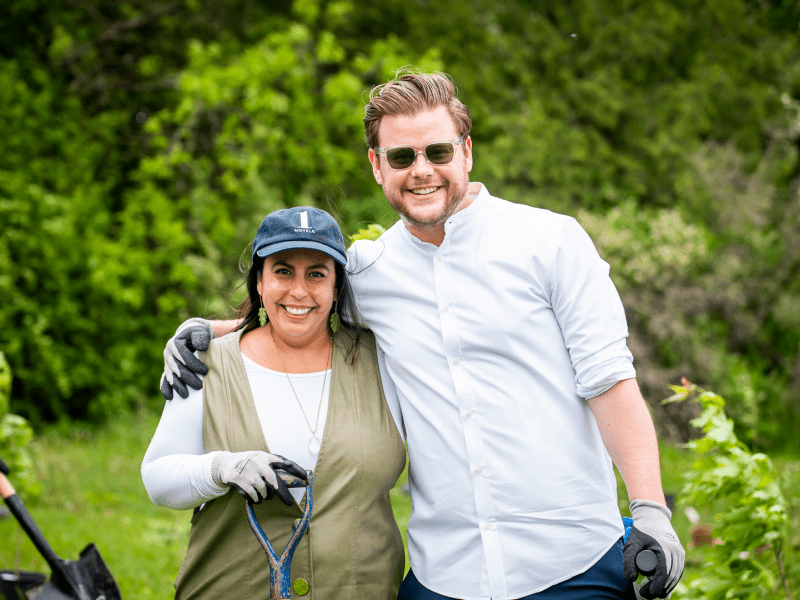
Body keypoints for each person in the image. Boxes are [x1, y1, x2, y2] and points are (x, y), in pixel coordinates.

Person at [160, 70, 685, 600]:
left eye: (437, 152)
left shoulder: (551, 243)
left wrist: (649, 510)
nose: (422, 171)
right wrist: (208, 332)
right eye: (402, 157)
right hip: (445, 577)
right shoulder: (368, 272)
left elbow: (609, 382)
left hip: (573, 564)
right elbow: (300, 307)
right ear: (376, 165)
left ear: (467, 152)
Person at [142, 207, 406, 599]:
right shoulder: (208, 363)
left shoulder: (383, 359)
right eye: (283, 271)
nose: (298, 291)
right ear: (260, 283)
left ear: (337, 288)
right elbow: (157, 478)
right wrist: (221, 468)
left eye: (316, 273)